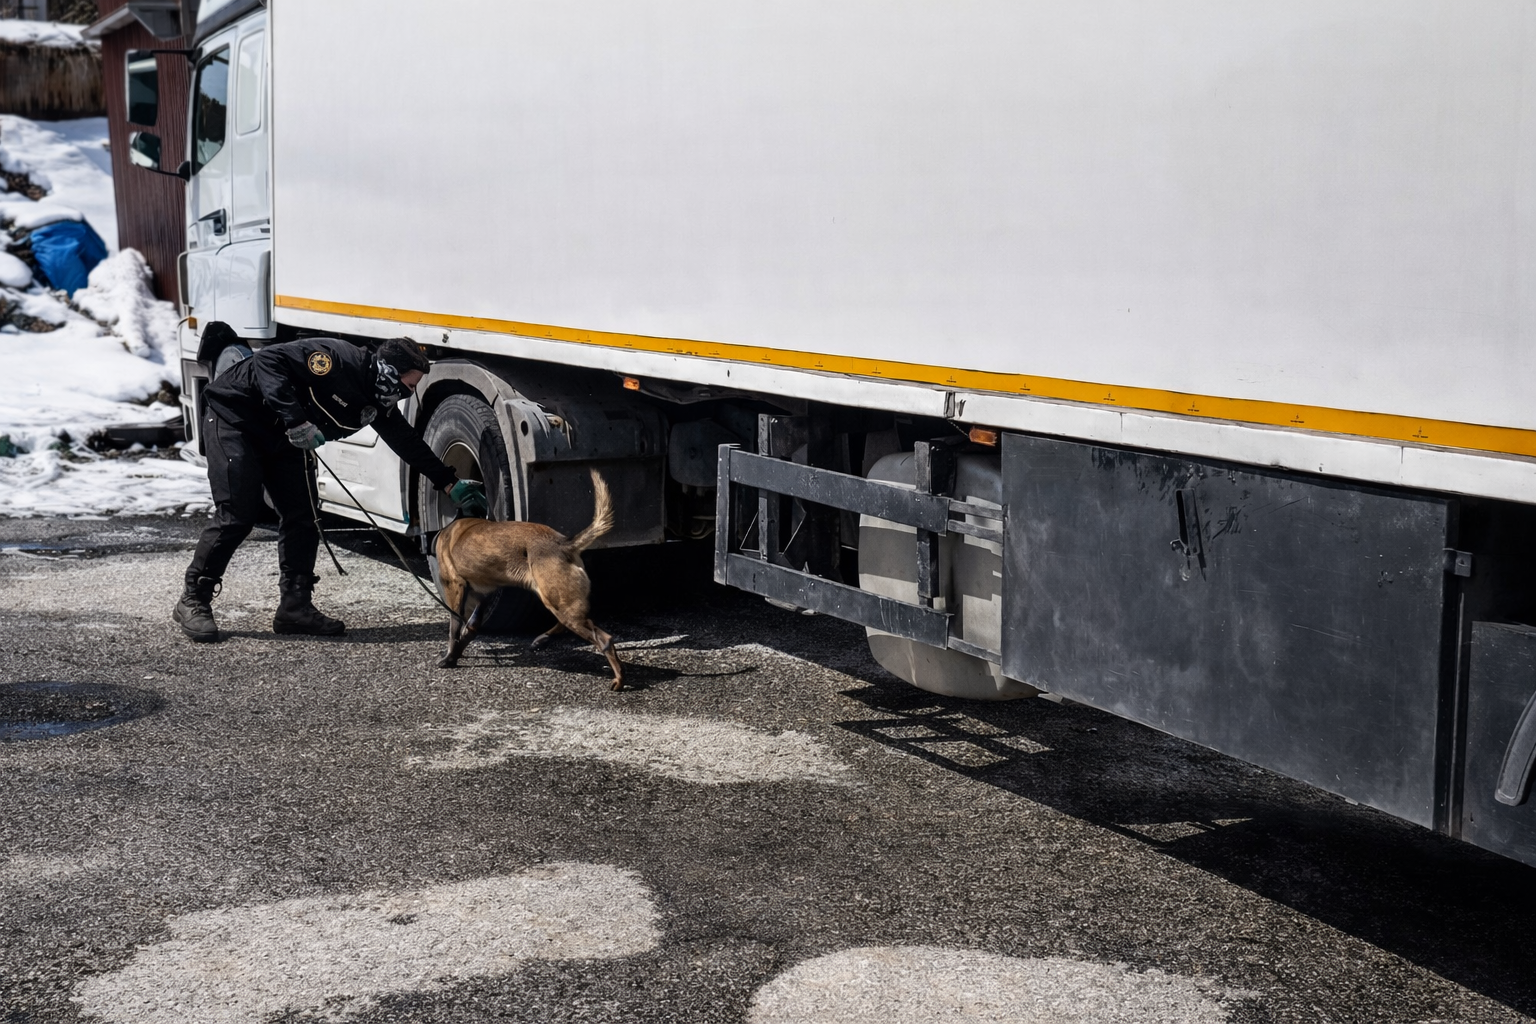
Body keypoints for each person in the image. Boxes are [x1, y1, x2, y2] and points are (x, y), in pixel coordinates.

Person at [173, 334, 488, 642]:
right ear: (390, 372)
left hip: (282, 436)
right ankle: (194, 598)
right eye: (408, 386)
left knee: (302, 515)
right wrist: (297, 421)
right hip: (236, 418)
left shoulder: (377, 398)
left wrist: (448, 482)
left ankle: (294, 608)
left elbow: (406, 441)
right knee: (237, 514)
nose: (406, 396)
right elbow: (268, 361)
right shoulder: (335, 359)